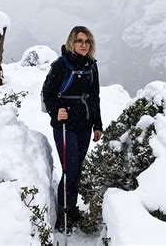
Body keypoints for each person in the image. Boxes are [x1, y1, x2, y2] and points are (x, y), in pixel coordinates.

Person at [42, 26, 103, 234]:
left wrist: (98, 125)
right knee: (70, 171)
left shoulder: (91, 66)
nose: (84, 45)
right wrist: (56, 110)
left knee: (76, 171)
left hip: (84, 126)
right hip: (65, 126)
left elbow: (95, 97)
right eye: (79, 41)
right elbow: (47, 92)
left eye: (87, 41)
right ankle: (63, 215)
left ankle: (72, 209)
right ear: (71, 42)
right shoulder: (61, 65)